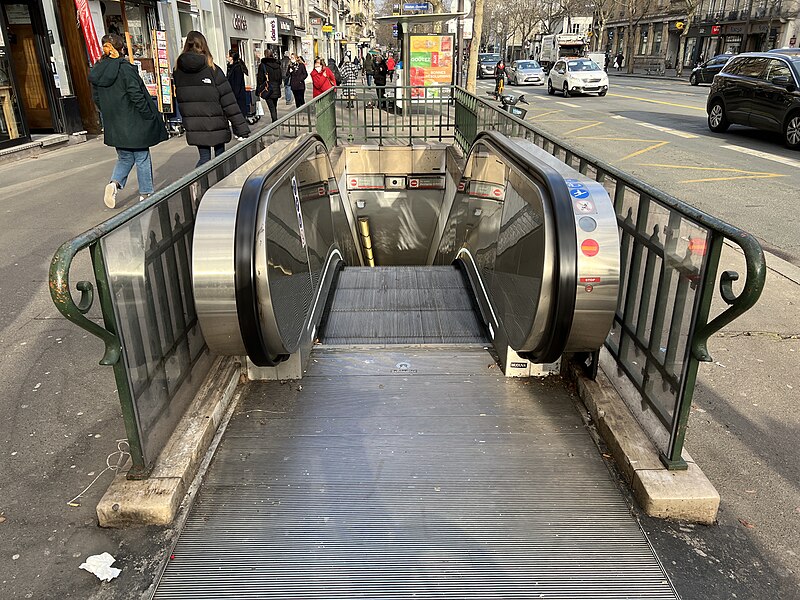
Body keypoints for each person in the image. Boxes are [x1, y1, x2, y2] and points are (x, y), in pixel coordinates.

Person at [89, 33, 168, 208]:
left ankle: (114, 184)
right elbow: (136, 94)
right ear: (121, 48)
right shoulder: (125, 68)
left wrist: (108, 113)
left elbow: (96, 98)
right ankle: (146, 194)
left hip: (114, 122)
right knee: (142, 157)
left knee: (125, 157)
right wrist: (148, 115)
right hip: (134, 120)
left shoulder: (97, 70)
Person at [173, 30, 249, 168]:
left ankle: (201, 185)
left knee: (204, 159)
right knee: (221, 160)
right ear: (204, 45)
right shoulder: (212, 69)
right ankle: (219, 186)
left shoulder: (178, 71)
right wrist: (242, 128)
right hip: (216, 122)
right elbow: (228, 101)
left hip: (195, 124)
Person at [257, 49, 282, 122]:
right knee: (274, 105)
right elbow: (280, 78)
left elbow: (260, 78)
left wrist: (259, 89)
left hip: (268, 87)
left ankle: (274, 120)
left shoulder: (263, 65)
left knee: (271, 107)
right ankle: (275, 119)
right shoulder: (277, 65)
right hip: (276, 87)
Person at [226, 50, 248, 119]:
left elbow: (237, 84)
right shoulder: (230, 67)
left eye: (228, 55)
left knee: (239, 116)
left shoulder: (237, 68)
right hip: (233, 95)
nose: (226, 56)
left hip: (238, 97)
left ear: (231, 57)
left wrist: (234, 96)